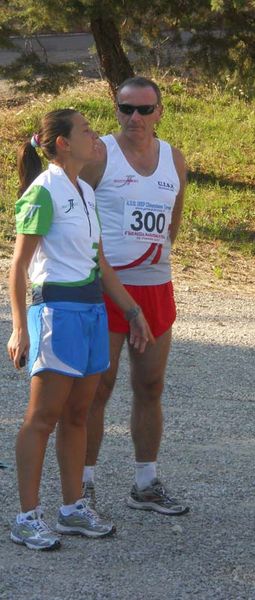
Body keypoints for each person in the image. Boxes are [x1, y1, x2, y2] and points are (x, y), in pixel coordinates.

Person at [8, 108, 152, 551]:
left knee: (78, 414)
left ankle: (72, 509)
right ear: (64, 144)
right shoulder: (43, 192)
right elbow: (18, 267)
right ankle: (26, 517)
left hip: (91, 310)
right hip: (57, 310)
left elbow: (100, 263)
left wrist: (131, 311)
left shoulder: (85, 191)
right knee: (43, 416)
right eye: (87, 130)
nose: (96, 136)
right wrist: (19, 327)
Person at [80, 76, 189, 515]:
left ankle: (145, 484)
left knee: (150, 384)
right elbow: (76, 215)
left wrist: (153, 264)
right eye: (127, 109)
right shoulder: (99, 154)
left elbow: (173, 225)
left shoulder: (174, 160)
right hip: (107, 288)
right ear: (117, 110)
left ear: (160, 112)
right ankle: (83, 484)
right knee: (96, 388)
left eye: (145, 109)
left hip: (155, 286)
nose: (135, 118)